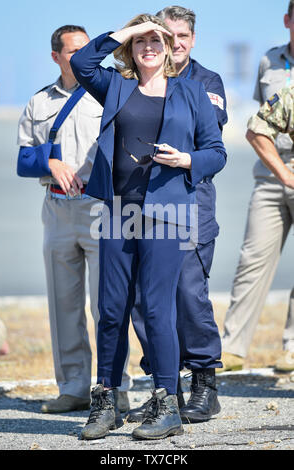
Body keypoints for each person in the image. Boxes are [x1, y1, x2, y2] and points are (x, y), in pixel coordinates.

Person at [70, 13, 226, 441]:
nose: (150, 47)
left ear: (170, 48)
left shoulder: (192, 92)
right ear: (131, 48)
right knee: (111, 309)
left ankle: (165, 402)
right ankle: (105, 401)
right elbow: (83, 63)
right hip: (119, 212)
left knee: (158, 308)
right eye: (142, 41)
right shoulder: (116, 86)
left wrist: (187, 160)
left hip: (168, 214)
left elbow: (217, 151)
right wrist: (129, 28)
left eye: (157, 40)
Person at [17, 25, 132, 415]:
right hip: (57, 209)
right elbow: (23, 158)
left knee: (109, 305)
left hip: (101, 209)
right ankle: (73, 388)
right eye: (73, 52)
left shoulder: (110, 88)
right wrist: (48, 161)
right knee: (63, 304)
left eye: (88, 50)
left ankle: (115, 388)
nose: (84, 57)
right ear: (56, 57)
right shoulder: (38, 102)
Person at [128, 5, 228, 424]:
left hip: (189, 199)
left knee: (188, 293)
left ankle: (205, 382)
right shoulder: (134, 80)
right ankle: (164, 390)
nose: (176, 42)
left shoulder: (204, 83)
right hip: (140, 204)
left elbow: (208, 138)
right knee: (141, 299)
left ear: (191, 38)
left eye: (182, 35)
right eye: (166, 34)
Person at [221, 0, 294, 373]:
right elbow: (260, 118)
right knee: (252, 257)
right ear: (287, 20)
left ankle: (292, 349)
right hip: (270, 171)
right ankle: (232, 348)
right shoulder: (269, 61)